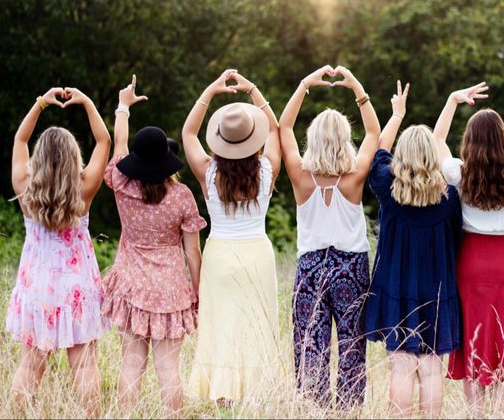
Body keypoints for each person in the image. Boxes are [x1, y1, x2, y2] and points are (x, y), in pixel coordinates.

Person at [102, 76, 206, 414]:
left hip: (131, 285)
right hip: (170, 291)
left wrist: (123, 107)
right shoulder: (182, 197)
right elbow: (193, 251)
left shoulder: (121, 183)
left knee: (130, 366)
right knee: (169, 372)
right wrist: (198, 291)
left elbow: (119, 146)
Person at [279, 65, 380, 407]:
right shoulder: (354, 178)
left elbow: (284, 126)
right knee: (352, 344)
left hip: (311, 267)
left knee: (310, 345)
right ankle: (348, 410)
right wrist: (356, 88)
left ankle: (313, 407)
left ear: (314, 138)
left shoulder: (300, 175)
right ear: (343, 140)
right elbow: (372, 133)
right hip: (351, 268)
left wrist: (305, 83)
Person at [7, 86, 111, 417]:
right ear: (73, 156)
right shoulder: (84, 187)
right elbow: (104, 141)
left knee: (30, 366)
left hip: (38, 286)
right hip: (77, 286)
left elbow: (20, 141)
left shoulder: (25, 186)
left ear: (39, 157)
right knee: (84, 366)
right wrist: (87, 103)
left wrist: (39, 103)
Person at [183, 69, 282, 405]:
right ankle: (256, 396)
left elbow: (189, 131)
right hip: (257, 254)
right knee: (255, 327)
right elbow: (278, 130)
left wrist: (210, 90)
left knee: (221, 325)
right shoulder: (267, 170)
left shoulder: (208, 172)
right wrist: (254, 90)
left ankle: (222, 396)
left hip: (220, 255)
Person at [364, 82, 462, 417]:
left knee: (401, 367)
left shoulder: (385, 186)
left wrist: (397, 115)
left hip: (396, 287)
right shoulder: (450, 196)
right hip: (438, 289)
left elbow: (378, 149)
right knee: (433, 369)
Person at [435, 83, 504, 414]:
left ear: (470, 140)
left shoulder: (460, 173)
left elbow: (436, 144)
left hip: (470, 259)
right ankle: (498, 412)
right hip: (503, 258)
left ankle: (475, 412)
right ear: (502, 139)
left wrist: (452, 100)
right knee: (502, 338)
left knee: (473, 335)